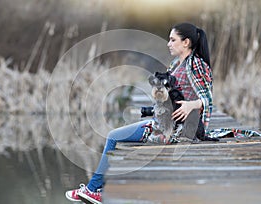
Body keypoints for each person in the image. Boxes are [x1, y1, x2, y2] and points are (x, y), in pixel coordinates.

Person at [65, 22, 213, 204]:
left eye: (173, 40)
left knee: (113, 136)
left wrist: (191, 105)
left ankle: (93, 190)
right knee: (115, 136)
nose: (168, 43)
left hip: (177, 131)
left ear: (186, 42)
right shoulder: (175, 64)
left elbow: (208, 99)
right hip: (164, 123)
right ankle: (96, 189)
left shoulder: (196, 64)